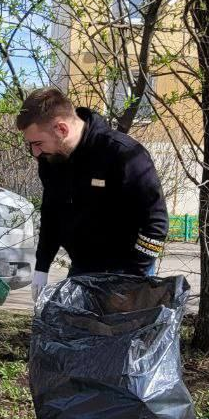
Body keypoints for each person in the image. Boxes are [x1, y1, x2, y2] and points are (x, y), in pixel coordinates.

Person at [15, 88, 168, 299]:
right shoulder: (50, 162)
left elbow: (156, 224)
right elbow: (52, 215)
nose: (35, 153)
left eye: (38, 143)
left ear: (61, 129)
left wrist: (133, 279)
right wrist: (42, 267)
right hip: (82, 269)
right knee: (75, 330)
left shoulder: (123, 154)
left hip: (127, 270)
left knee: (123, 332)